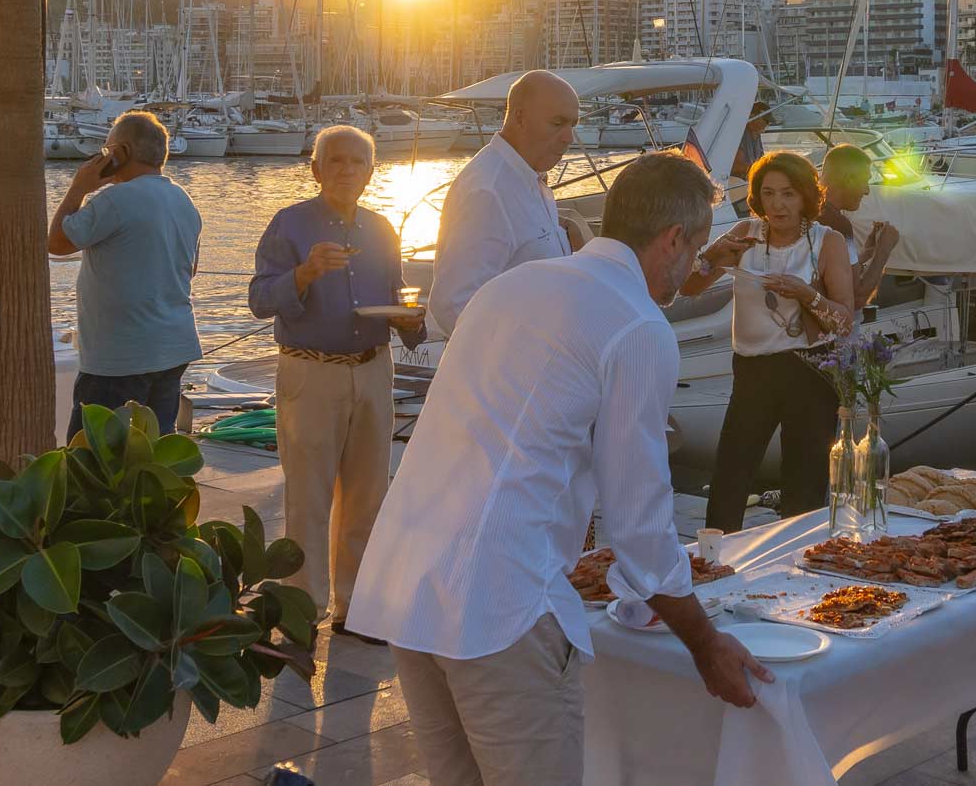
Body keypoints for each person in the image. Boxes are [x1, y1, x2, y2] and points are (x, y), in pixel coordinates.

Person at [349, 154, 769, 786]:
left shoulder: (509, 286)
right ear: (673, 240)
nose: (693, 266)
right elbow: (640, 526)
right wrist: (706, 645)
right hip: (499, 600)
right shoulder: (637, 326)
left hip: (408, 580)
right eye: (698, 247)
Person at [248, 125, 423, 641]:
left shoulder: (383, 228)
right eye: (337, 161)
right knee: (308, 497)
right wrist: (302, 275)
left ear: (372, 171)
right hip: (311, 371)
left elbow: (395, 297)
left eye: (358, 162)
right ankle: (303, 613)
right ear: (316, 168)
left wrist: (410, 323)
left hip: (373, 368)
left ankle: (357, 606)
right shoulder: (290, 225)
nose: (348, 170)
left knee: (369, 493)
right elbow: (259, 300)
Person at [687, 150, 854, 532]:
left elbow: (844, 321)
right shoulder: (745, 234)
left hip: (812, 370)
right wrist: (713, 255)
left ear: (806, 197)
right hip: (753, 369)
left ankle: (798, 559)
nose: (777, 204)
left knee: (806, 477)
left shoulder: (827, 242)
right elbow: (690, 286)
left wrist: (806, 294)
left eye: (789, 194)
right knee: (731, 471)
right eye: (768, 193)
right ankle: (715, 560)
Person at [46, 110, 202, 438]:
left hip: (119, 357)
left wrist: (79, 188)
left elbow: (58, 242)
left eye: (107, 151)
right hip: (173, 347)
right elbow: (191, 269)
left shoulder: (115, 200)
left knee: (91, 461)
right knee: (153, 453)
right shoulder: (182, 200)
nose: (103, 157)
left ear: (122, 153)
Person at [427, 69, 582, 337]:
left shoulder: (530, 181)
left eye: (573, 125)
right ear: (520, 117)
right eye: (557, 123)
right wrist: (520, 356)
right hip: (516, 371)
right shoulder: (488, 191)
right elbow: (453, 305)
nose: (569, 137)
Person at [818, 143, 901, 310]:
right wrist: (883, 251)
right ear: (849, 180)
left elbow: (830, 270)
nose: (867, 191)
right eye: (865, 182)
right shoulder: (838, 225)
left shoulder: (812, 212)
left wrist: (864, 254)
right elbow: (857, 298)